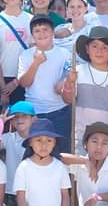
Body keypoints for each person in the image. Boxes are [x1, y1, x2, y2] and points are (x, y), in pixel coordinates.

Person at [14, 118, 76, 206]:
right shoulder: (24, 167)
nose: (44, 145)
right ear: (30, 142)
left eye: (49, 140)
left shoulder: (59, 167)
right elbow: (21, 199)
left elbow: (65, 196)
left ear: (54, 143)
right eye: (38, 140)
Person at [62, 26, 108, 151]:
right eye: (94, 46)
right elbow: (67, 100)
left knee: (105, 164)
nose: (99, 51)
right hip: (81, 136)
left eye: (104, 47)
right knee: (80, 163)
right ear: (87, 49)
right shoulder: (78, 71)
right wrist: (69, 82)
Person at [17, 15, 73, 152]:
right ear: (32, 35)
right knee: (34, 152)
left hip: (60, 111)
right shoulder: (26, 55)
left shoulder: (65, 54)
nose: (41, 34)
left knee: (61, 152)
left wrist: (64, 82)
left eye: (45, 29)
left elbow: (68, 76)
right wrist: (36, 63)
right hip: (34, 113)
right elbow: (24, 82)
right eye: (37, 31)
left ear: (53, 32)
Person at [0, 0, 32, 112]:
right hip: (0, 79)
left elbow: (33, 53)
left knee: (21, 119)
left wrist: (16, 82)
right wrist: (3, 88)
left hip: (24, 80)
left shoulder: (31, 19)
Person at [0, 101, 35, 206]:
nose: (20, 119)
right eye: (16, 117)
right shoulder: (8, 138)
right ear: (11, 120)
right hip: (11, 191)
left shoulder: (38, 140)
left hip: (32, 192)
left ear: (33, 119)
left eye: (24, 116)